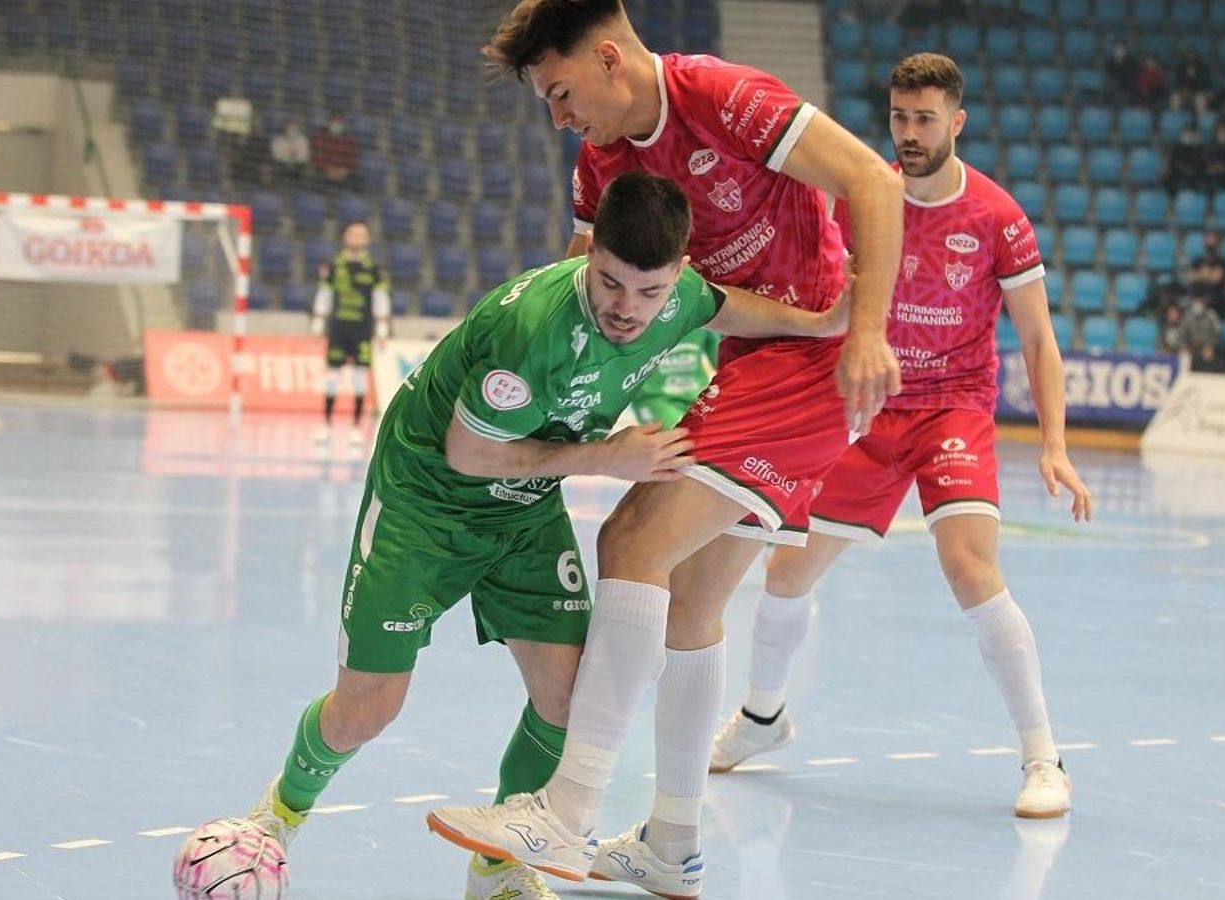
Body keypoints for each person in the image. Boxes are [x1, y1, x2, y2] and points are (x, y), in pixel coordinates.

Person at [230, 172, 847, 900]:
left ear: (676, 274)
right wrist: (609, 457)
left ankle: (497, 869)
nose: (628, 309)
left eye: (649, 293)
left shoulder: (677, 297)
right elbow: (471, 453)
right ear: (591, 255)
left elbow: (725, 308)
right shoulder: (531, 332)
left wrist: (823, 324)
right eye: (612, 284)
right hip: (426, 504)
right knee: (368, 709)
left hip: (523, 512)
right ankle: (276, 815)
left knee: (568, 702)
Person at [426, 2, 905, 895]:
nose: (560, 116)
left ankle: (567, 811)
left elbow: (873, 182)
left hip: (813, 358)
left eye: (563, 92)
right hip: (749, 358)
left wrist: (869, 331)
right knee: (688, 606)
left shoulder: (721, 96)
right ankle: (673, 844)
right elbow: (584, 294)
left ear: (610, 58)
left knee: (632, 542)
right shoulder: (602, 159)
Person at [701, 51, 1091, 823]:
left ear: (957, 121)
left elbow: (1040, 342)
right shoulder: (858, 198)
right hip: (865, 406)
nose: (910, 133)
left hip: (953, 408)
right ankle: (764, 717)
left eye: (925, 119)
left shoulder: (997, 217)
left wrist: (1054, 444)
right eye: (900, 118)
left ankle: (1044, 756)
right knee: (785, 573)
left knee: (969, 564)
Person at [312, 222, 388, 445]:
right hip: (338, 328)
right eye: (353, 233)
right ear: (345, 237)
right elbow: (324, 293)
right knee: (332, 376)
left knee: (359, 378)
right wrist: (318, 323)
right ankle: (326, 425)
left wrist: (382, 329)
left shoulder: (373, 269)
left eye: (362, 235)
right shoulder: (334, 266)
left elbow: (380, 299)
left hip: (362, 330)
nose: (357, 238)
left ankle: (356, 427)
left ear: (367, 240)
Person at [628, 327, 719, 428]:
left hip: (699, 398)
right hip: (655, 399)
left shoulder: (703, 319)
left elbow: (722, 362)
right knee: (681, 439)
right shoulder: (641, 322)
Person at [310, 113, 359, 187]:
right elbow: (316, 157)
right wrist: (327, 170)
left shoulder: (350, 140)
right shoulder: (320, 137)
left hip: (343, 175)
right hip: (323, 174)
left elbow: (353, 159)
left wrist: (344, 171)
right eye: (335, 121)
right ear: (329, 122)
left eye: (339, 122)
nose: (337, 124)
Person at [1164, 124, 1207, 194]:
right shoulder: (1176, 149)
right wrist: (1184, 169)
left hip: (1196, 178)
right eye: (1187, 133)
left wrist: (1192, 171)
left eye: (1192, 134)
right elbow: (1173, 164)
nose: (1190, 136)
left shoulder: (1202, 149)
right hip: (1179, 176)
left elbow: (1202, 166)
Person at [1171, 49, 1214, 117]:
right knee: (1175, 97)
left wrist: (1193, 76)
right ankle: (1176, 119)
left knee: (1199, 98)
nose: (1191, 60)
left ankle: (1201, 121)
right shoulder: (1181, 68)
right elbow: (1177, 84)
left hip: (1202, 93)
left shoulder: (1203, 68)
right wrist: (1182, 90)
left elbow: (1204, 85)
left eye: (1193, 58)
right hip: (1187, 94)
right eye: (1189, 58)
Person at [270, 116, 310, 187]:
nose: (291, 127)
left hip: (298, 167)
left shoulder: (303, 140)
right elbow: (276, 155)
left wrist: (292, 156)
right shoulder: (278, 139)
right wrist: (290, 156)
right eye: (289, 124)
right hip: (282, 166)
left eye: (294, 124)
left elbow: (304, 156)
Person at [1183, 295, 1222, 362]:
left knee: (1208, 354)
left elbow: (1217, 332)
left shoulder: (1211, 315)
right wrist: (1185, 345)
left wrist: (1210, 344)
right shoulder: (1188, 316)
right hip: (1192, 345)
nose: (1197, 304)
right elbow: (1183, 333)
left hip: (1207, 344)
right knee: (1184, 354)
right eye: (1196, 301)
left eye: (1200, 301)